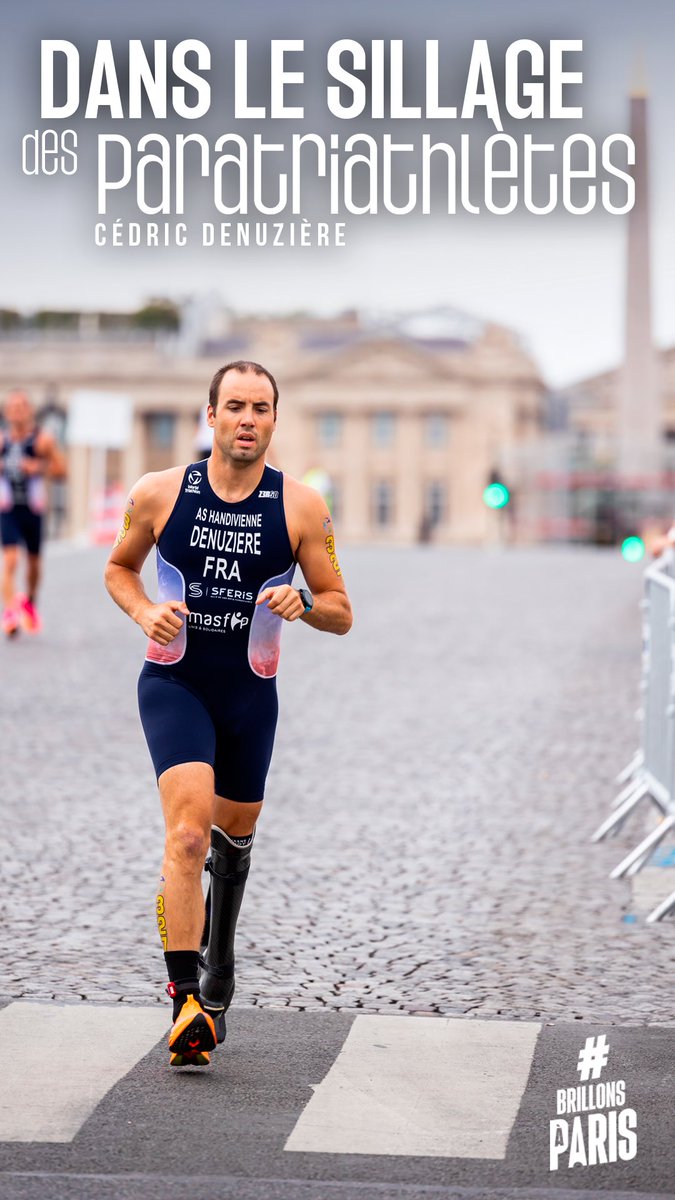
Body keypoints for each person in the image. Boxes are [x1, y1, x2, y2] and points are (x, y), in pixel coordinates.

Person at [104, 360, 352, 1067]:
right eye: (235, 406)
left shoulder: (301, 507)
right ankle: (187, 998)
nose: (248, 419)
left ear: (275, 420)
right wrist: (144, 609)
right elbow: (118, 568)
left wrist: (302, 604)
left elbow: (341, 610)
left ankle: (222, 957)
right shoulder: (159, 493)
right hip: (174, 683)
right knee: (187, 835)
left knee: (232, 838)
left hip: (250, 695)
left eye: (261, 408)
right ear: (210, 415)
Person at [1, 390, 67, 637]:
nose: (17, 410)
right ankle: (9, 612)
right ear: (7, 412)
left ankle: (28, 600)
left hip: (33, 508)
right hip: (8, 508)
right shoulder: (2, 441)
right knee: (10, 559)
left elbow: (62, 470)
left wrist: (38, 467)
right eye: (13, 406)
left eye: (22, 406)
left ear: (29, 411)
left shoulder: (42, 441)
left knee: (34, 564)